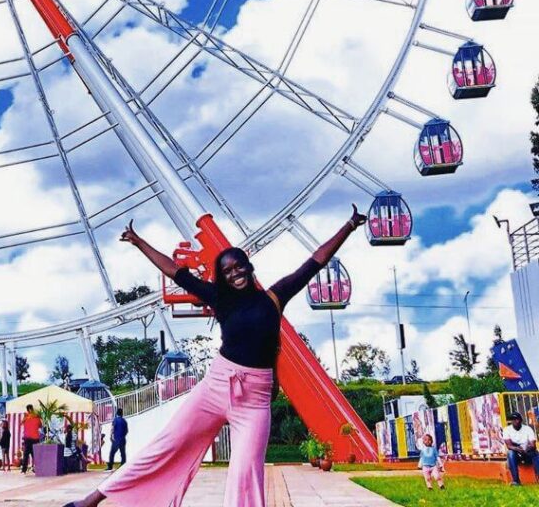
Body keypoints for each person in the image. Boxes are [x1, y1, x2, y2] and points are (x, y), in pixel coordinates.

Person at [64, 205, 366, 507]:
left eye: (239, 267)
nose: (235, 274)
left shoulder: (274, 298)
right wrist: (139, 241)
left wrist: (349, 226)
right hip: (217, 385)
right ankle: (92, 500)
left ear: (249, 267)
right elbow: (174, 270)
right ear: (221, 277)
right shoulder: (218, 298)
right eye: (228, 271)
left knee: (246, 472)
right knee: (168, 444)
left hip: (255, 398)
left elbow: (315, 261)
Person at [503, 411, 539, 485]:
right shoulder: (507, 430)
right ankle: (516, 481)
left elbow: (533, 445)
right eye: (513, 419)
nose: (515, 421)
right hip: (516, 454)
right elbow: (509, 446)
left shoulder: (528, 429)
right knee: (510, 453)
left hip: (528, 452)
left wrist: (526, 449)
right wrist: (517, 449)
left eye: (517, 419)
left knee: (536, 454)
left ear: (521, 420)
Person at [21, 405, 42, 473]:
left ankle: (24, 470)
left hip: (28, 438)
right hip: (34, 438)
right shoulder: (36, 417)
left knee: (26, 455)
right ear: (32, 409)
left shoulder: (26, 417)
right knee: (34, 454)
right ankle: (37, 468)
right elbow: (40, 425)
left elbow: (21, 423)